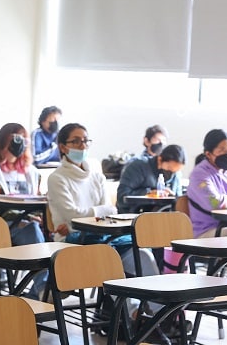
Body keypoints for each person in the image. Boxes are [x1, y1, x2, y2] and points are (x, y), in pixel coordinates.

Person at [47, 123, 160, 310]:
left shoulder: (97, 177)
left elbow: (111, 210)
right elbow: (73, 216)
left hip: (103, 236)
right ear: (63, 147)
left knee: (143, 254)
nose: (83, 146)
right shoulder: (57, 178)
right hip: (72, 240)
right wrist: (99, 212)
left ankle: (159, 313)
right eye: (76, 141)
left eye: (86, 141)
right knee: (107, 257)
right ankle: (132, 315)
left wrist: (92, 215)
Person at [0, 123, 46, 299]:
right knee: (33, 230)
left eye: (22, 140)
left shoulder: (30, 172)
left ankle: (38, 294)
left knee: (47, 235)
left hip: (30, 225)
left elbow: (38, 201)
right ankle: (44, 289)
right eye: (13, 140)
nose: (17, 144)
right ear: (2, 143)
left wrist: (36, 216)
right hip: (1, 226)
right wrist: (24, 217)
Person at [116, 144, 186, 213]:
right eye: (169, 168)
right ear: (160, 159)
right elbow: (121, 197)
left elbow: (179, 202)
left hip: (164, 215)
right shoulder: (139, 167)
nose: (172, 175)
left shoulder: (176, 175)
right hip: (136, 214)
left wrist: (173, 197)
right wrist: (149, 193)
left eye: (175, 171)